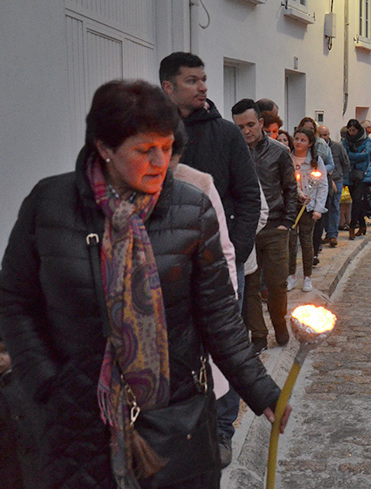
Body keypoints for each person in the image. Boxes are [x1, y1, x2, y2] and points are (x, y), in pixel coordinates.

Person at [0, 80, 287, 488]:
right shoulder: (49, 205)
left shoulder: (191, 209)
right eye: (143, 149)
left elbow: (220, 316)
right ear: (104, 148)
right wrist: (45, 380)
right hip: (76, 422)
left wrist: (261, 390)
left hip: (176, 419)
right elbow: (14, 300)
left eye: (167, 147)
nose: (159, 161)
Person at [159, 53, 261, 294]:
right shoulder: (152, 131)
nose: (202, 87)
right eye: (192, 81)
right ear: (168, 87)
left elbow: (249, 195)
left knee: (224, 327)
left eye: (203, 80)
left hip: (220, 257)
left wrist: (236, 249)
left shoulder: (227, 133)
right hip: (167, 258)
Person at [231, 99, 298, 353]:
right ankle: (258, 334)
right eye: (240, 127)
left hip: (275, 228)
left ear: (260, 123)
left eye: (250, 125)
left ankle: (279, 324)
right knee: (249, 285)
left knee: (277, 283)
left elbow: (291, 188)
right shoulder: (233, 152)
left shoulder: (278, 152)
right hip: (245, 230)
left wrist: (287, 223)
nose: (246, 131)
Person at [289, 128, 327, 292]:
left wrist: (318, 208)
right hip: (291, 205)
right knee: (290, 242)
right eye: (296, 139)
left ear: (310, 143)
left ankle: (307, 277)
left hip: (308, 207)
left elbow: (322, 185)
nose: (298, 142)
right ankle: (291, 275)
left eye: (302, 140)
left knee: (306, 242)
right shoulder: (288, 159)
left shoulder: (316, 161)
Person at [319, 125, 350, 248]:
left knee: (334, 206)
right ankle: (328, 232)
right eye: (320, 135)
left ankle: (333, 235)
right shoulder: (317, 147)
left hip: (336, 180)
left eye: (325, 135)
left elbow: (346, 163)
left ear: (329, 134)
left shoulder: (337, 147)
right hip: (322, 180)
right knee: (324, 207)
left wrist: (340, 175)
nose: (323, 137)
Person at [343, 119, 371, 239]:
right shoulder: (345, 141)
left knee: (357, 198)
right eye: (349, 130)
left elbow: (367, 155)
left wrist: (353, 156)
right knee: (357, 201)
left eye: (353, 130)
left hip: (364, 174)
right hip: (351, 174)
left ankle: (352, 226)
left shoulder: (366, 139)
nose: (351, 133)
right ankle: (362, 225)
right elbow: (346, 155)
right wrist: (358, 156)